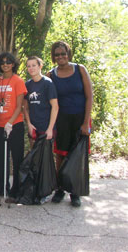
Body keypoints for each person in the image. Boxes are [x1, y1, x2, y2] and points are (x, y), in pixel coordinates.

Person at [48, 41, 93, 207]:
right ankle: (60, 188)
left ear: (68, 54)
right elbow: (50, 101)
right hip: (62, 119)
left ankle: (75, 191)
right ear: (54, 56)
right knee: (61, 154)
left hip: (79, 118)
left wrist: (86, 122)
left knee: (78, 155)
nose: (61, 57)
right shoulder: (51, 75)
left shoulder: (80, 69)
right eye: (57, 54)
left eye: (63, 53)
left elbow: (89, 96)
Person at [0, 52, 27, 203]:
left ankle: (16, 190)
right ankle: (2, 188)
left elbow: (20, 106)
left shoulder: (18, 81)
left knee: (17, 158)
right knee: (0, 158)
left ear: (13, 64)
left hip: (15, 125)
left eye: (8, 62)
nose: (5, 64)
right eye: (2, 62)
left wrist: (10, 123)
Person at [24, 56, 58, 142]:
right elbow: (25, 108)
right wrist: (29, 124)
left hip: (46, 127)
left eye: (34, 65)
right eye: (29, 66)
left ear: (40, 66)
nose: (31, 68)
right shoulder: (27, 85)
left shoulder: (48, 83)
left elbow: (55, 107)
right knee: (34, 154)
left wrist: (50, 129)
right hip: (34, 127)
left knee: (46, 154)